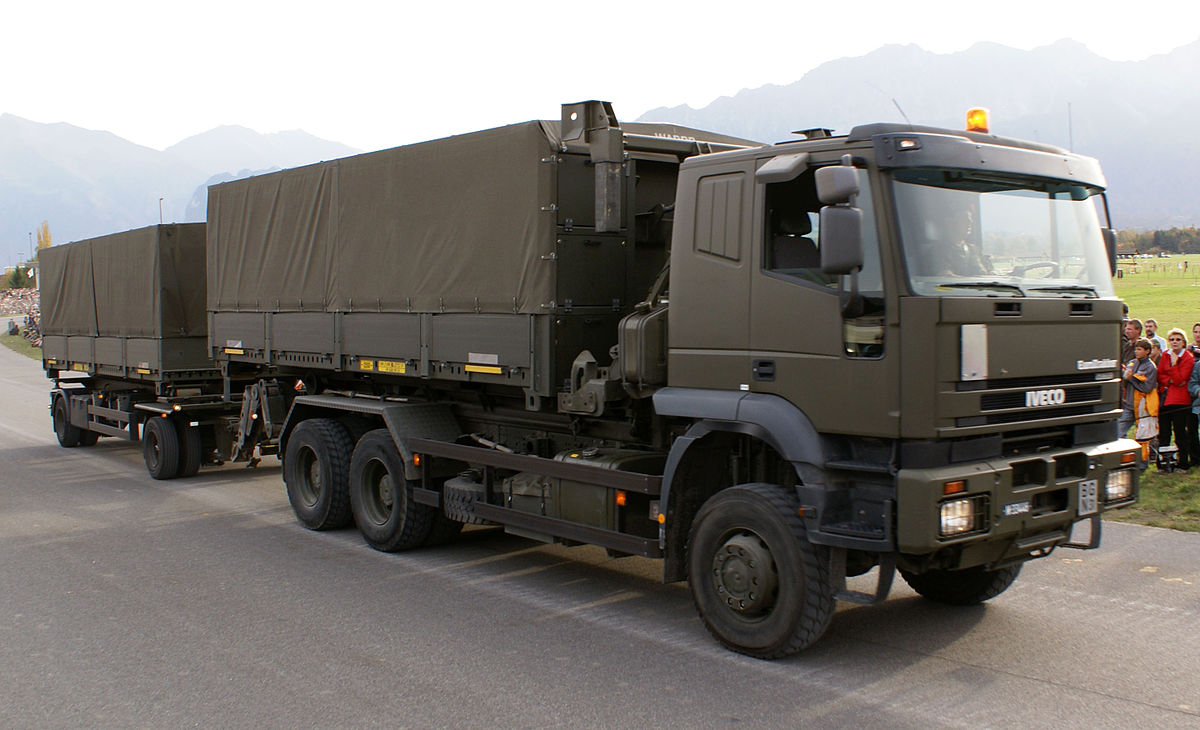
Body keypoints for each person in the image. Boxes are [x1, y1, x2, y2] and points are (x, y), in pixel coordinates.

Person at [1157, 328, 1195, 469]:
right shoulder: (1165, 355)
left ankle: (1183, 462)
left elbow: (1180, 379)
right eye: (1172, 339)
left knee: (1180, 433)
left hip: (1180, 400)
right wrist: (1170, 380)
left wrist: (1173, 366)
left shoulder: (1187, 357)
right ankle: (1163, 463)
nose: (1175, 342)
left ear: (1184, 342)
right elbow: (1160, 375)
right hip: (1165, 399)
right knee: (1164, 434)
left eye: (1178, 339)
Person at [1118, 338, 1158, 461]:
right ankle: (1121, 456)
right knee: (1119, 430)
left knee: (1144, 437)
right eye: (1136, 349)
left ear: (1147, 351)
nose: (1136, 351)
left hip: (1143, 407)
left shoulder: (1151, 367)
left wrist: (1131, 378)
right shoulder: (1132, 363)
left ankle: (1143, 462)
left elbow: (1146, 387)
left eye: (1139, 349)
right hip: (1129, 405)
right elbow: (1125, 381)